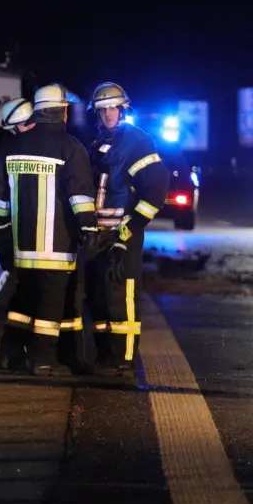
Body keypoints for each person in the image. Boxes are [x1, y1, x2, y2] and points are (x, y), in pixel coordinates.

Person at [0, 83, 98, 374]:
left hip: (20, 246)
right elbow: (79, 196)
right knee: (51, 304)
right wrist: (89, 229)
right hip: (56, 247)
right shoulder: (70, 147)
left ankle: (9, 353)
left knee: (23, 300)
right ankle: (41, 359)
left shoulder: (10, 146)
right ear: (61, 112)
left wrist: (2, 238)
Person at [85, 81, 169, 375]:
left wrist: (130, 229)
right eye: (102, 110)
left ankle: (123, 358)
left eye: (112, 108)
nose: (107, 114)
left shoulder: (137, 142)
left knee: (122, 296)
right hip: (98, 235)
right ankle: (105, 355)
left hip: (123, 233)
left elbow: (157, 188)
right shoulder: (98, 141)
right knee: (99, 296)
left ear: (123, 109)